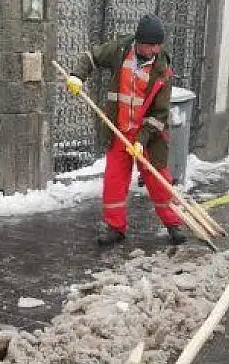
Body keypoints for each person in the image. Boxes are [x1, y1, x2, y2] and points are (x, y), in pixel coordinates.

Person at [66, 15, 187, 246]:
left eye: (157, 45)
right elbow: (91, 56)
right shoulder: (121, 50)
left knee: (158, 180)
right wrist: (76, 76)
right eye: (150, 45)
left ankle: (173, 224)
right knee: (114, 180)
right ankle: (115, 227)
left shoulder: (162, 70)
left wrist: (141, 140)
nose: (154, 50)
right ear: (139, 42)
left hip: (148, 136)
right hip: (119, 130)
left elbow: (160, 114)